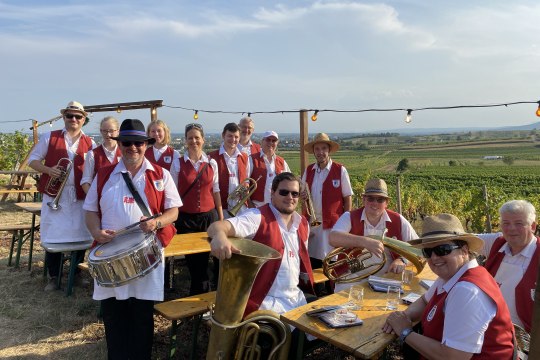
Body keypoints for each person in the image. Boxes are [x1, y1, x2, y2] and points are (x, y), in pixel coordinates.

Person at [83, 118, 181, 360]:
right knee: (114, 317)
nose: (133, 147)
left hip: (146, 256)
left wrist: (157, 222)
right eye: (127, 142)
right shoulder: (104, 175)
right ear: (120, 144)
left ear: (146, 144)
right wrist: (96, 232)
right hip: (109, 257)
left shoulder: (161, 175)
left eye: (138, 143)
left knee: (141, 317)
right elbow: (90, 210)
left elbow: (173, 211)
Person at [383, 213, 515, 359]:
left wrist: (405, 332)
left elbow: (454, 357)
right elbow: (425, 300)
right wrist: (403, 316)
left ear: (464, 251)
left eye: (442, 250)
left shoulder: (467, 291)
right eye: (427, 251)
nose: (434, 258)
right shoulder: (452, 275)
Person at [208, 172, 314, 317]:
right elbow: (217, 227)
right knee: (299, 338)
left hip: (296, 299)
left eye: (295, 194)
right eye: (284, 192)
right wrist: (220, 237)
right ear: (272, 193)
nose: (290, 197)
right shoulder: (257, 216)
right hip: (266, 303)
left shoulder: (303, 223)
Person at [28, 101, 96, 291]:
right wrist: (49, 170)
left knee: (80, 235)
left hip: (78, 196)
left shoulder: (90, 142)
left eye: (78, 116)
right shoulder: (49, 137)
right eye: (69, 116)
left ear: (84, 120)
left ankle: (75, 273)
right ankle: (53, 275)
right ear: (64, 117)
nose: (74, 119)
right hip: (54, 194)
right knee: (53, 235)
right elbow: (33, 161)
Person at [329, 178, 418, 292]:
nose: (375, 203)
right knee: (344, 297)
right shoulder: (349, 216)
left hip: (387, 277)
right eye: (371, 198)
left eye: (380, 200)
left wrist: (402, 260)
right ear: (364, 199)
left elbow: (416, 249)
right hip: (353, 276)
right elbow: (333, 237)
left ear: (386, 203)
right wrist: (365, 242)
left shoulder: (399, 220)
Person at [170, 122, 223, 295]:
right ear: (185, 140)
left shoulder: (212, 164)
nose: (194, 141)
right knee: (194, 263)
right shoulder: (177, 164)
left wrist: (221, 218)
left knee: (208, 258)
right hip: (186, 219)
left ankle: (203, 294)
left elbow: (216, 191)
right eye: (190, 138)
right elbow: (172, 194)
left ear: (203, 140)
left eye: (197, 138)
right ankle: (201, 295)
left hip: (209, 217)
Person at [301, 133, 353, 291]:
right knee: (314, 262)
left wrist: (346, 223)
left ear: (328, 150)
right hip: (313, 224)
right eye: (317, 149)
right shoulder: (309, 170)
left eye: (323, 148)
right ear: (314, 152)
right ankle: (316, 293)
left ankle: (331, 293)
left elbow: (347, 198)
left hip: (333, 225)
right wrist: (302, 194)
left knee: (332, 262)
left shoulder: (340, 170)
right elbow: (303, 193)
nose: (320, 152)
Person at [478, 200, 539, 333]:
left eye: (519, 223)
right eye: (506, 223)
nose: (511, 228)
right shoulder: (496, 243)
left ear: (533, 226)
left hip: (525, 338)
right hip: (488, 327)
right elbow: (465, 240)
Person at [208, 122, 250, 218]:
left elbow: (246, 180)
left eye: (236, 137)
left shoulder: (244, 157)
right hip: (220, 209)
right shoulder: (212, 157)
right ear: (223, 136)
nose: (233, 140)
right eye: (230, 136)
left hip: (241, 208)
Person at [249, 131, 291, 208]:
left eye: (274, 141)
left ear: (277, 143)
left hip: (277, 208)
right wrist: (250, 206)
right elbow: (245, 185)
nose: (271, 143)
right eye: (268, 140)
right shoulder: (251, 159)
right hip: (257, 208)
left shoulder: (282, 162)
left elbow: (290, 183)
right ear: (262, 141)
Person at [81, 116, 121, 193]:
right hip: (100, 199)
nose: (108, 134)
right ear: (101, 131)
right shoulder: (92, 154)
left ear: (118, 131)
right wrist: (94, 199)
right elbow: (85, 182)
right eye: (105, 131)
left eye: (111, 131)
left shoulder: (125, 152)